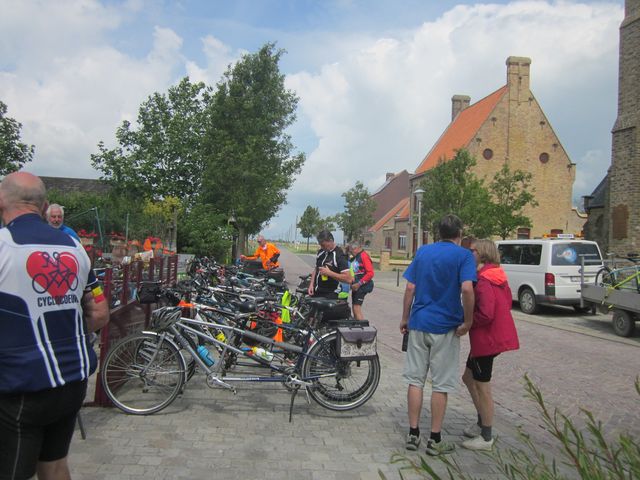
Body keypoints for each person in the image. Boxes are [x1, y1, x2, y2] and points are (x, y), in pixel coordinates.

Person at [0, 172, 110, 480]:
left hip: (21, 384)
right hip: (72, 379)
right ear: (45, 205)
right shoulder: (75, 247)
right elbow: (100, 313)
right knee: (55, 465)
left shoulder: (4, 245)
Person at [400, 214, 476, 456]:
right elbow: (466, 288)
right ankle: (435, 439)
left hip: (419, 323)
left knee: (415, 380)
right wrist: (468, 320)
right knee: (440, 384)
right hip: (446, 326)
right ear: (459, 234)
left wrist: (405, 318)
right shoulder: (463, 256)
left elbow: (410, 287)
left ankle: (413, 434)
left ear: (438, 232)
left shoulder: (423, 252)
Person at [461, 239, 520, 451]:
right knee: (468, 378)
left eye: (473, 250)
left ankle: (486, 435)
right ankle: (481, 422)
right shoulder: (497, 275)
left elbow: (485, 313)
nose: (470, 253)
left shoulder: (485, 280)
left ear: (482, 253)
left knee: (482, 385)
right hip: (492, 337)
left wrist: (466, 322)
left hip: (486, 340)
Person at [307, 230, 352, 299]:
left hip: (330, 295)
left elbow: (348, 279)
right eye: (321, 245)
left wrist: (329, 273)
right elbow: (316, 269)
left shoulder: (339, 255)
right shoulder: (321, 252)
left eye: (324, 245)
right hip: (317, 291)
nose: (322, 247)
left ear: (331, 240)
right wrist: (311, 285)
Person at [348, 240, 375, 320]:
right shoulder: (356, 256)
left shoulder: (364, 256)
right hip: (356, 286)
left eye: (351, 251)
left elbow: (370, 273)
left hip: (361, 286)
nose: (351, 253)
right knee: (354, 307)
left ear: (356, 248)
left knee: (356, 308)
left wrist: (359, 284)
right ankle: (357, 327)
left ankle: (363, 329)